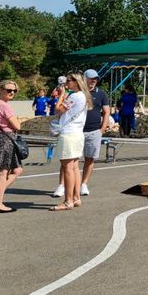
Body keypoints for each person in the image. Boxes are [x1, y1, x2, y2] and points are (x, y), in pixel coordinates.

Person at [51, 72, 91, 211]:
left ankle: (68, 200)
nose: (66, 83)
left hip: (69, 134)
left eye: (68, 81)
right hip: (77, 133)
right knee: (74, 167)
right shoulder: (83, 96)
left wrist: (62, 95)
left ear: (76, 82)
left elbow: (58, 109)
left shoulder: (75, 96)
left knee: (67, 167)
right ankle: (75, 198)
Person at [0, 80, 23, 212]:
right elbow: (17, 126)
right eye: (8, 90)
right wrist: (18, 120)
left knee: (17, 170)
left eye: (14, 90)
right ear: (1, 90)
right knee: (3, 172)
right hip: (6, 139)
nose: (12, 92)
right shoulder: (4, 105)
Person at [79, 68, 110, 197]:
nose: (94, 81)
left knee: (90, 158)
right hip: (77, 131)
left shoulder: (101, 94)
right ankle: (62, 185)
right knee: (70, 159)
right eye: (91, 78)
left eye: (96, 79)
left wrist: (102, 129)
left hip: (93, 131)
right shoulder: (77, 93)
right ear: (84, 79)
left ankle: (83, 184)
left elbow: (106, 111)